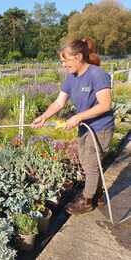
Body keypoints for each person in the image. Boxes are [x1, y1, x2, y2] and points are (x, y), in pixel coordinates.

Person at [31, 38, 114, 215]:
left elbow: (105, 104)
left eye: (65, 60)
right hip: (85, 126)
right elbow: (59, 102)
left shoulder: (96, 74)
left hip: (100, 127)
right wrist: (44, 116)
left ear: (78, 57)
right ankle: (97, 193)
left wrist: (77, 116)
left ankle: (87, 200)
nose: (63, 65)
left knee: (91, 163)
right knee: (86, 161)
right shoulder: (71, 77)